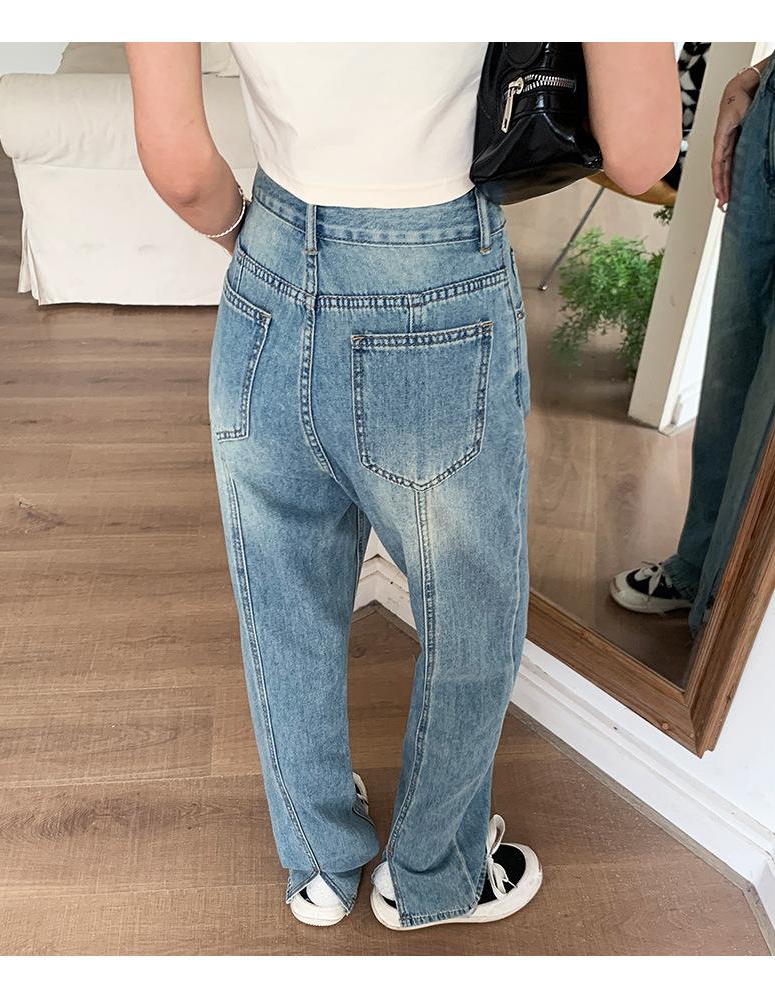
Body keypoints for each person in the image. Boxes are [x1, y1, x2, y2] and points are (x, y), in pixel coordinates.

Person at [126, 42, 680, 930]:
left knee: (284, 596)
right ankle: (431, 874)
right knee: (470, 611)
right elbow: (641, 151)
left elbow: (180, 166)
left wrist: (260, 247)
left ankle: (317, 862)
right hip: (435, 275)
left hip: (269, 259)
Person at [612, 53, 775, 637]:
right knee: (730, 367)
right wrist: (754, 76)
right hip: (768, 113)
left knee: (767, 419)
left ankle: (722, 622)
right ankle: (698, 566)